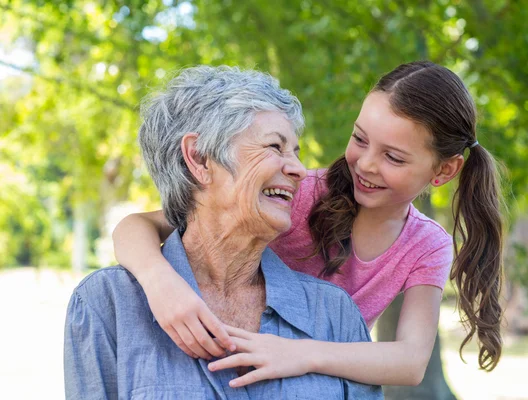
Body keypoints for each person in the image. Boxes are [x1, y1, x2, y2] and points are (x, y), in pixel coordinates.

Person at [113, 61, 504, 388]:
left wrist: (299, 353)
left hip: (312, 380)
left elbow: (410, 361)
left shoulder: (426, 244)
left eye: (394, 158)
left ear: (444, 170)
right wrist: (160, 282)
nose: (366, 165)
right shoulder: (296, 192)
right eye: (360, 139)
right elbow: (136, 226)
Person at [64, 65, 383, 399]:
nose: (300, 170)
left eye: (296, 152)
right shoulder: (107, 303)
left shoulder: (334, 313)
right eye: (275, 146)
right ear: (200, 159)